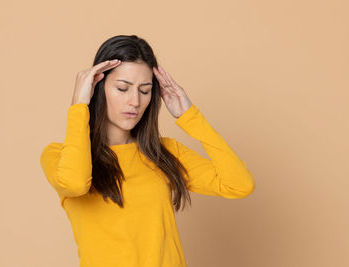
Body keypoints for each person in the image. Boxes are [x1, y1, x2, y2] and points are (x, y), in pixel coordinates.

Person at [40, 34, 255, 267]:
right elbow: (74, 183)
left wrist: (190, 117)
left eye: (144, 91)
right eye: (123, 88)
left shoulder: (164, 152)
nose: (135, 101)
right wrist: (79, 106)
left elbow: (240, 184)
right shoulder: (60, 156)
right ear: (97, 88)